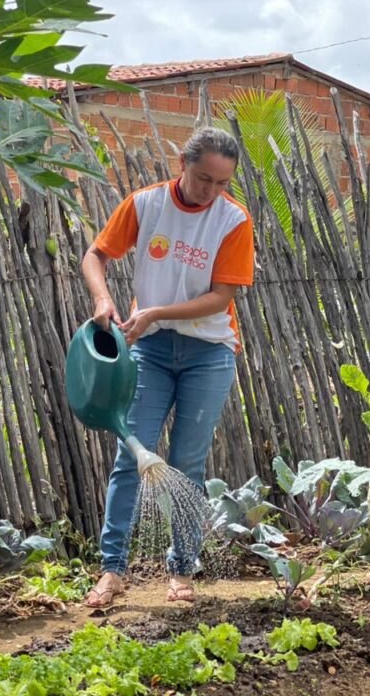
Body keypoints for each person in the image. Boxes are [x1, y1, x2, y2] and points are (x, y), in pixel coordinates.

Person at [79, 127, 255, 607]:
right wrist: (102, 298)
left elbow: (220, 297)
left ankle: (180, 569)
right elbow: (96, 255)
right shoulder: (146, 204)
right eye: (204, 179)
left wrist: (155, 312)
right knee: (131, 455)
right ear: (183, 164)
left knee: (187, 463)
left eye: (222, 183)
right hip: (150, 351)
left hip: (209, 353)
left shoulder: (233, 220)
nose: (211, 190)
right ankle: (112, 570)